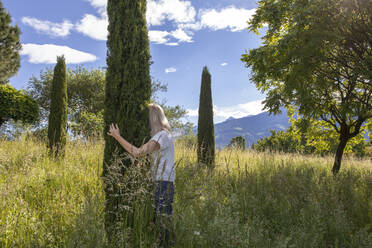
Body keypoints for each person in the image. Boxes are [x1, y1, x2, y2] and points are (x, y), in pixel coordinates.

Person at [107, 103, 175, 247]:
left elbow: (137, 153)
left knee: (163, 224)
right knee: (160, 222)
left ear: (152, 119)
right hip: (160, 183)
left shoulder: (162, 136)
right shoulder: (161, 136)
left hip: (163, 184)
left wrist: (117, 137)